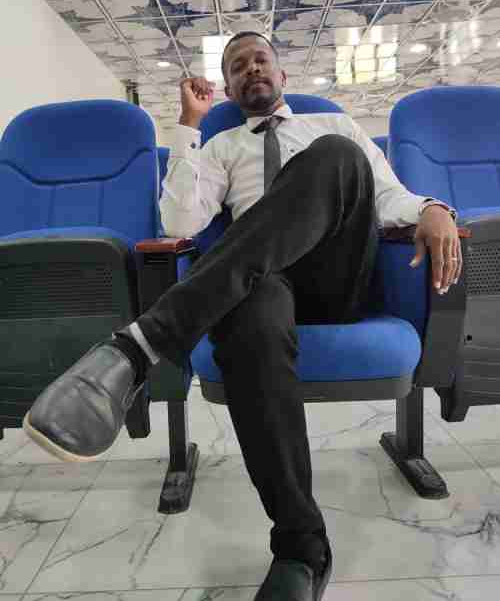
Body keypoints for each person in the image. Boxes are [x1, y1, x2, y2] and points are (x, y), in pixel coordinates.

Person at [23, 31, 461, 601]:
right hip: (260, 280)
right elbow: (180, 223)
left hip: (333, 273)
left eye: (261, 60)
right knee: (248, 312)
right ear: (229, 89)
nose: (251, 69)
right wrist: (189, 125)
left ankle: (140, 345)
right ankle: (302, 548)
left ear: (282, 77)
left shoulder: (332, 126)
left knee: (335, 157)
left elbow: (389, 198)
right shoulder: (221, 144)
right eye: (237, 66)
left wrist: (432, 207)